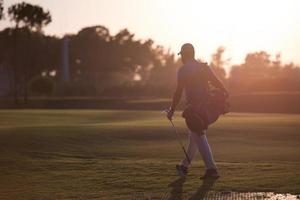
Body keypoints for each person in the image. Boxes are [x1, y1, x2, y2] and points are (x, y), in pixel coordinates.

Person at [166, 43, 229, 179]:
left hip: (195, 110)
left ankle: (211, 169)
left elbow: (178, 92)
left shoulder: (183, 70)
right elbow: (217, 82)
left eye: (182, 55)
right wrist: (224, 92)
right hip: (208, 108)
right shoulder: (203, 67)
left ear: (186, 55)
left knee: (198, 136)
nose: (181, 57)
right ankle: (185, 166)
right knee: (194, 136)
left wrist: (172, 110)